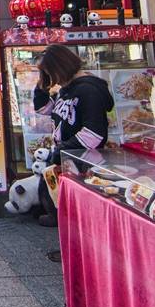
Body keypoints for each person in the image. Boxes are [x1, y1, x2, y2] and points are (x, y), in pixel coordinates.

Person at [33, 44, 114, 226]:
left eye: (49, 73)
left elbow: (94, 133)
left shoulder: (88, 90)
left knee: (80, 217)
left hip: (84, 161)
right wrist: (42, 84)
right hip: (70, 159)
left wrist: (62, 149)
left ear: (60, 68)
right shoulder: (67, 89)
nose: (51, 79)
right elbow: (43, 109)